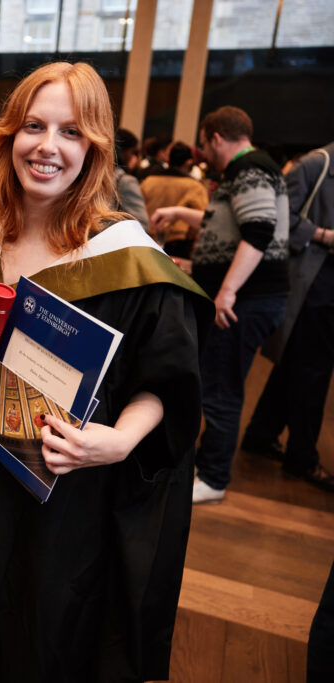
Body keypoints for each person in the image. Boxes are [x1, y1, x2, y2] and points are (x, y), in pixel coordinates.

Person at [0, 62, 209, 682]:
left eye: (71, 132)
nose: (48, 147)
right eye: (34, 126)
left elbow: (169, 382)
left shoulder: (127, 256)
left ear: (97, 148)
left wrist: (119, 440)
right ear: (8, 137)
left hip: (70, 494)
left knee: (45, 641)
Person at [152, 105, 290, 504]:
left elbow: (259, 231)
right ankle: (208, 467)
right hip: (245, 298)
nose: (202, 154)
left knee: (221, 387)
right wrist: (181, 216)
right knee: (217, 382)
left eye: (203, 144)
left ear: (215, 138)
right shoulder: (246, 171)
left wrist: (226, 291)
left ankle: (213, 476)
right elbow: (226, 227)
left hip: (244, 302)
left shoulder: (249, 169)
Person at [242, 141, 334, 491]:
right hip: (312, 285)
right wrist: (324, 235)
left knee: (297, 363)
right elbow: (280, 219)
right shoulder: (316, 165)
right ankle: (302, 457)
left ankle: (261, 434)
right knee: (313, 371)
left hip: (322, 285)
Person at [141, 141, 208, 259]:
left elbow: (138, 211)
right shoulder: (195, 187)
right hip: (178, 246)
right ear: (189, 162)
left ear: (168, 159)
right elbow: (202, 221)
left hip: (146, 240)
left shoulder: (149, 181)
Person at [114, 127, 150, 230]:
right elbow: (141, 225)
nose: (137, 158)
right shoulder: (125, 181)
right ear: (123, 152)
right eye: (134, 153)